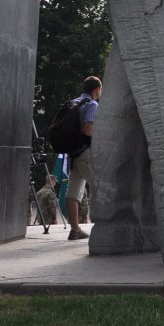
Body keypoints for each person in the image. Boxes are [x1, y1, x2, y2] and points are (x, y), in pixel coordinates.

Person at [64, 76, 101, 241]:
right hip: (86, 153)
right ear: (96, 90)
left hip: (73, 153)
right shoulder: (92, 104)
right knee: (100, 187)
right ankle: (103, 226)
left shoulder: (73, 102)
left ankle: (75, 229)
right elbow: (87, 129)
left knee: (73, 190)